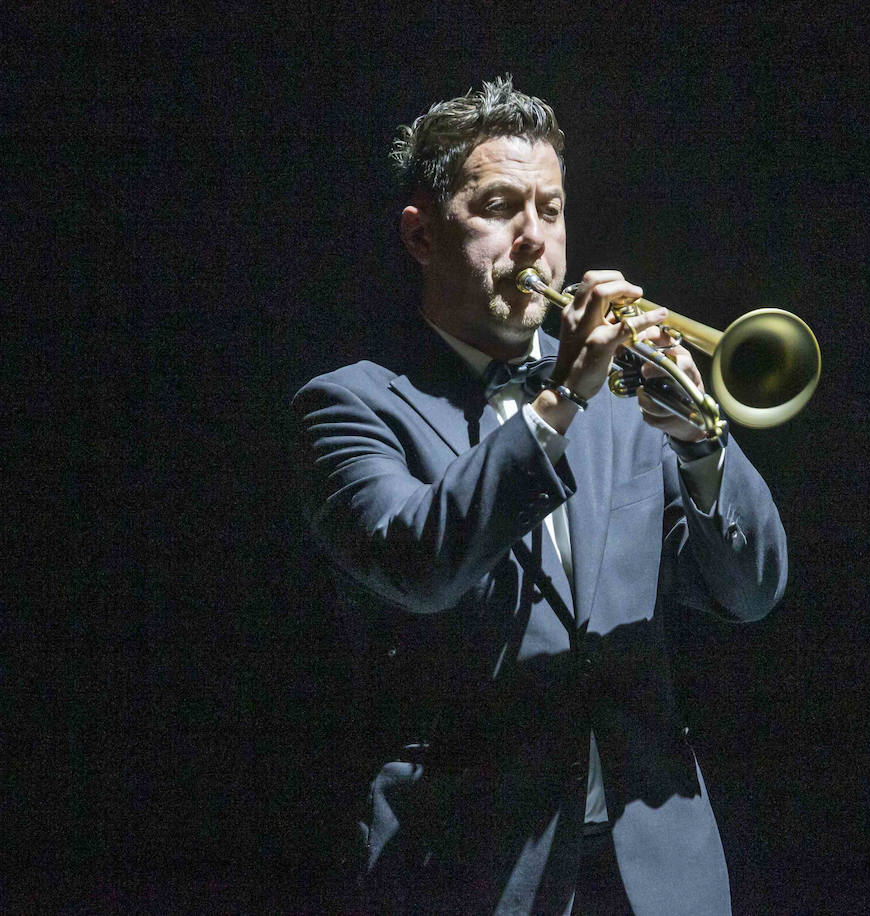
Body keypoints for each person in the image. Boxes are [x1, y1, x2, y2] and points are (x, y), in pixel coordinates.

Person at [291, 75, 787, 914]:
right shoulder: (351, 405)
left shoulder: (629, 410)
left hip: (657, 868)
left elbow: (752, 593)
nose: (534, 240)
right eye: (499, 206)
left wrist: (702, 443)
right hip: (467, 870)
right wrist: (558, 407)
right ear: (419, 235)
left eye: (551, 210)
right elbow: (420, 563)